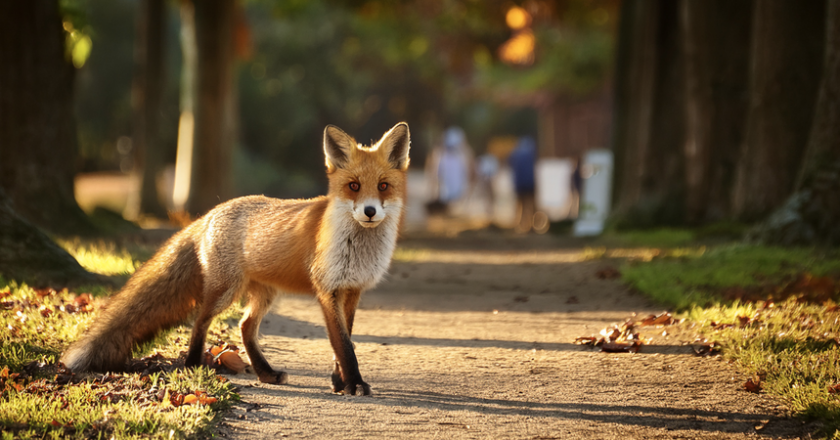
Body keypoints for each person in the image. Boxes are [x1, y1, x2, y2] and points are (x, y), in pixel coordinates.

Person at [425, 126, 474, 215]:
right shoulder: (442, 156)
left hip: (455, 187)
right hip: (448, 188)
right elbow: (435, 174)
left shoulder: (458, 156)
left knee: (453, 200)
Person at [508, 136, 536, 233]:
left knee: (519, 205)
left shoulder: (515, 153)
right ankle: (530, 225)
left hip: (519, 183)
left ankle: (519, 225)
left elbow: (511, 165)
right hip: (530, 183)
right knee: (530, 205)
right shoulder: (532, 153)